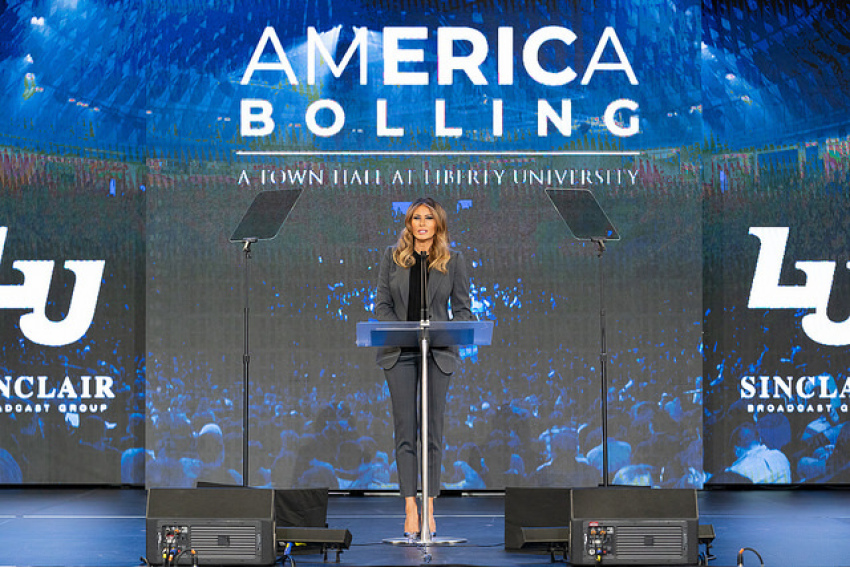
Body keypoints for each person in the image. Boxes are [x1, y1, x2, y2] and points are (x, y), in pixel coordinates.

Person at [374, 197, 473, 538]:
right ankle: (409, 508)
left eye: (428, 218)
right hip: (400, 353)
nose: (421, 223)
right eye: (416, 217)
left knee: (432, 432)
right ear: (409, 224)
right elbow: (383, 305)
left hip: (437, 353)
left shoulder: (454, 261)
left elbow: (463, 310)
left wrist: (450, 330)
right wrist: (402, 332)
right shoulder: (392, 258)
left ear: (437, 224)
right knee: (406, 432)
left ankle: (430, 507)